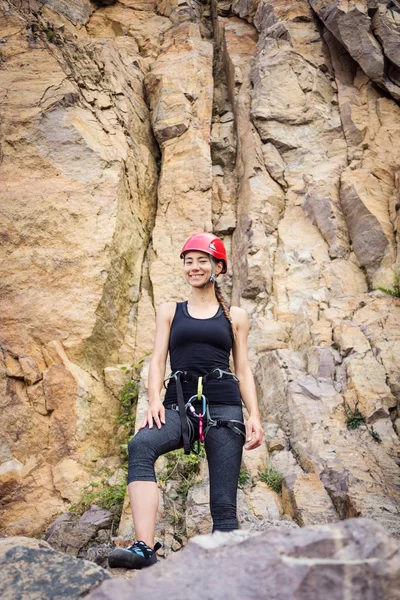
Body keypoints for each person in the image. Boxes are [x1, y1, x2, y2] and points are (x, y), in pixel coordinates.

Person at [108, 232, 264, 569]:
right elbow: (157, 360)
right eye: (188, 261)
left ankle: (226, 568)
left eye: (201, 260)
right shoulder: (170, 311)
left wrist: (254, 414)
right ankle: (143, 549)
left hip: (224, 407)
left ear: (218, 267)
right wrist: (153, 402)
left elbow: (244, 368)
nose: (194, 267)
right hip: (179, 407)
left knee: (224, 507)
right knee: (141, 446)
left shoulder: (235, 316)